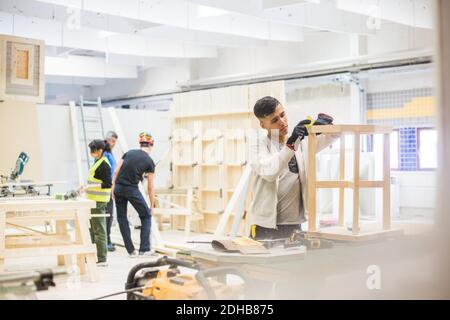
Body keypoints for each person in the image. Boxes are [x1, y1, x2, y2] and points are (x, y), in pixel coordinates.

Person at [249, 96, 337, 240]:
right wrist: (291, 143)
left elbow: (336, 134)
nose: (282, 122)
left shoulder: (302, 142)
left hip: (294, 226)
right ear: (263, 125)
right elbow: (270, 172)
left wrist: (323, 126)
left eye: (282, 115)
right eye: (274, 120)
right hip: (266, 227)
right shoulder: (257, 146)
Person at [112, 132, 156, 258]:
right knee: (146, 215)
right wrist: (152, 206)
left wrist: (113, 188)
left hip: (119, 188)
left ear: (140, 144)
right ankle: (144, 249)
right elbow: (150, 187)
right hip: (131, 189)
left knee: (122, 218)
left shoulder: (129, 153)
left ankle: (131, 251)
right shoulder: (149, 162)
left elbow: (116, 171)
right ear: (151, 145)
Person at [85, 139, 112, 267]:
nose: (92, 153)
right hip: (92, 200)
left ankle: (102, 259)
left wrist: (92, 186)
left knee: (99, 230)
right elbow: (93, 180)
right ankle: (94, 256)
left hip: (99, 202)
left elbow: (108, 184)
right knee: (92, 229)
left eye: (93, 151)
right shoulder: (97, 161)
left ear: (100, 151)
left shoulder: (104, 164)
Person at [103, 131, 118, 252]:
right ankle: (105, 241)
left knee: (110, 215)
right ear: (107, 140)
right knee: (107, 215)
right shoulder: (104, 153)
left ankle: (107, 239)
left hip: (111, 187)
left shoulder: (109, 153)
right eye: (112, 141)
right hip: (107, 188)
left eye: (115, 142)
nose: (113, 144)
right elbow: (106, 172)